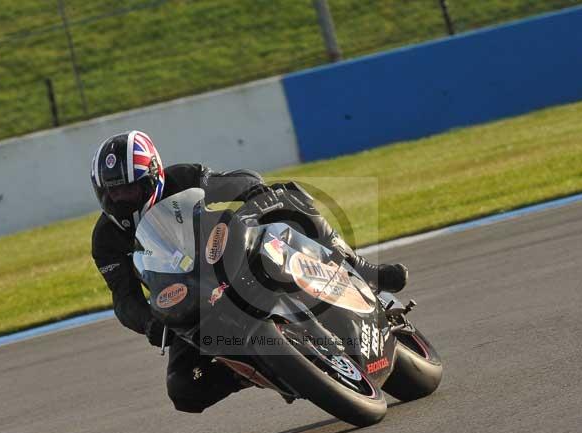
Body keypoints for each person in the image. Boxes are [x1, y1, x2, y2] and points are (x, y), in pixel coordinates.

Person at [90, 130, 408, 413]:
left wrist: (251, 190)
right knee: (184, 390)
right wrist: (149, 323)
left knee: (291, 197)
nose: (123, 200)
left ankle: (360, 268)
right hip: (189, 301)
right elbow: (124, 299)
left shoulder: (184, 177)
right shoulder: (105, 239)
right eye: (114, 193)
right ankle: (249, 371)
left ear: (154, 177)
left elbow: (235, 181)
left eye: (131, 190)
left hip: (231, 257)